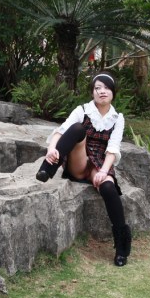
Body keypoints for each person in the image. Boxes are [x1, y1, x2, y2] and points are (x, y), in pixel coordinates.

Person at [35, 73, 131, 266]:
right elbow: (61, 131)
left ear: (113, 92)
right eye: (97, 88)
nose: (102, 91)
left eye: (106, 88)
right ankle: (47, 169)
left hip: (99, 163)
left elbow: (113, 148)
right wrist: (51, 149)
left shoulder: (117, 118)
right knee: (78, 129)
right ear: (92, 92)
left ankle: (122, 247)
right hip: (79, 159)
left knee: (109, 188)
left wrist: (103, 171)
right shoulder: (83, 110)